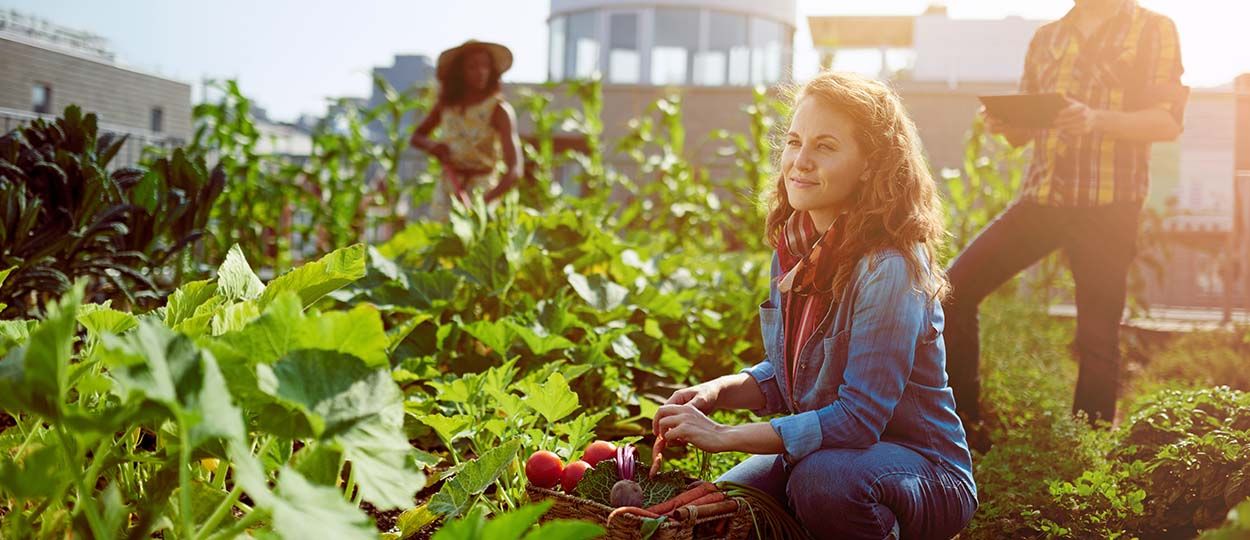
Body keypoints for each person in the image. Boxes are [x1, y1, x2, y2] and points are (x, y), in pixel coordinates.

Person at [651, 72, 977, 540]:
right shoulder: (796, 249)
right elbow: (794, 377)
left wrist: (723, 436)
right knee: (723, 501)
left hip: (924, 472)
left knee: (821, 483)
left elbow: (857, 419)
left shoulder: (890, 266)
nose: (799, 162)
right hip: (829, 452)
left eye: (825, 146)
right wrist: (717, 392)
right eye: (794, 142)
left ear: (870, 165)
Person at [942, 0, 1188, 445]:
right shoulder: (1047, 38)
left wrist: (1096, 120)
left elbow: (1167, 121)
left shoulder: (1152, 29)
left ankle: (1085, 447)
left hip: (1108, 206)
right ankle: (964, 428)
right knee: (953, 289)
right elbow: (1022, 134)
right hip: (1042, 200)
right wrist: (1002, 122)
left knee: (1097, 337)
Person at [410, 40, 522, 217]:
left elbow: (515, 170)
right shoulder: (446, 107)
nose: (480, 72)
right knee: (440, 240)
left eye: (485, 66)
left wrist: (484, 202)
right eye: (472, 66)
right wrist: (434, 147)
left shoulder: (499, 110)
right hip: (449, 187)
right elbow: (416, 136)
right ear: (459, 72)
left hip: (483, 191)